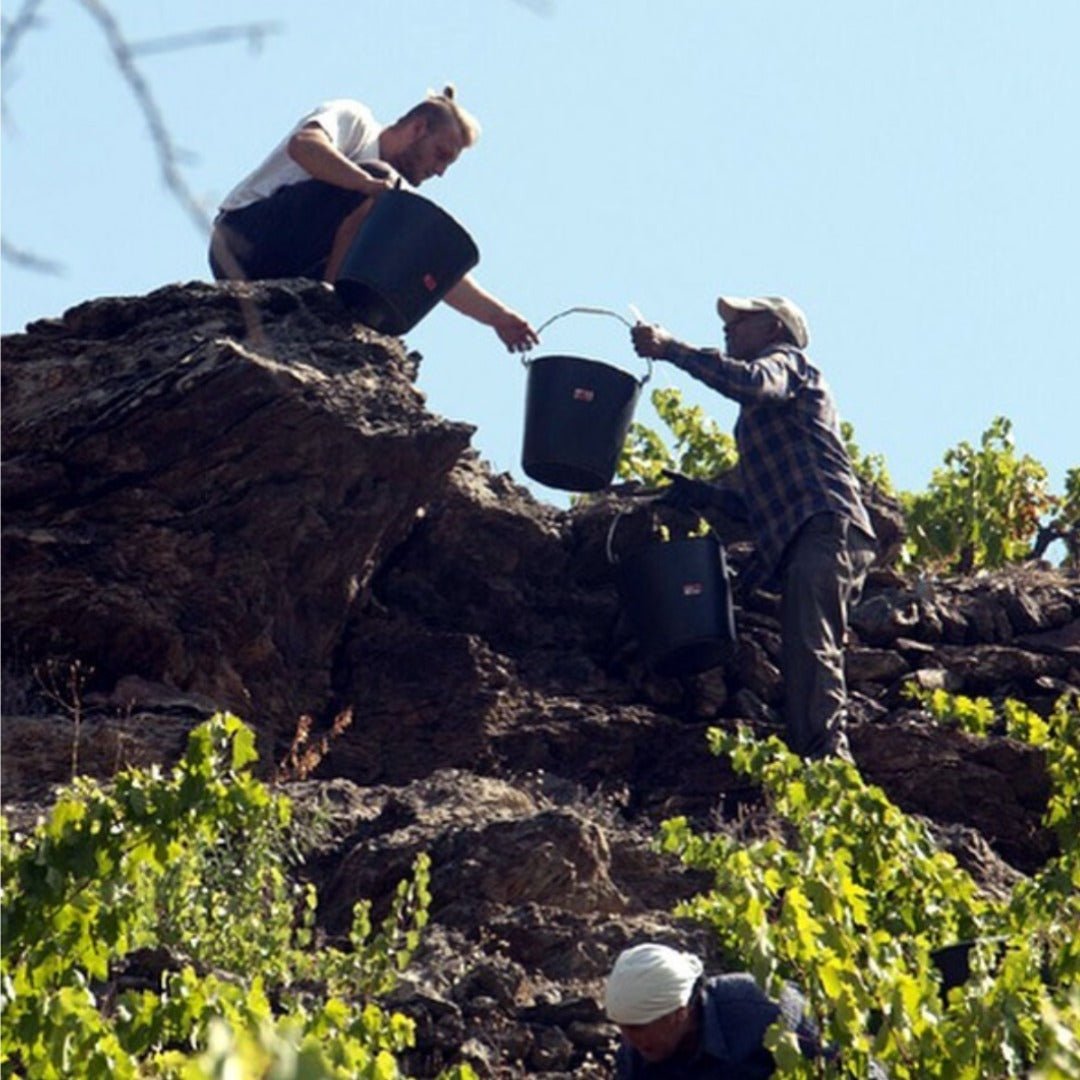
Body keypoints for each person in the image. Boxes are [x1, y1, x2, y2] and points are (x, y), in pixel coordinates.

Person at [630, 296, 876, 760]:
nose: (730, 327)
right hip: (812, 529)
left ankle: (828, 759)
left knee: (810, 643)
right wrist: (704, 496)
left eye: (743, 320)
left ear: (774, 329)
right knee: (805, 640)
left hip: (825, 527)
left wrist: (671, 349)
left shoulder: (785, 364)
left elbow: (751, 383)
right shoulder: (768, 408)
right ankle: (814, 750)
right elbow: (763, 507)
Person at [209, 86, 538, 352]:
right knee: (381, 189)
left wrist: (498, 317)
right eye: (441, 155)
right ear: (418, 128)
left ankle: (329, 311)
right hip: (243, 239)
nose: (440, 171)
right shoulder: (356, 121)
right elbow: (305, 146)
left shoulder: (393, 194)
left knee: (395, 234)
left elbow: (430, 266)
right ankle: (329, 305)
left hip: (289, 271)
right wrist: (367, 185)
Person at [604, 943, 825, 1078]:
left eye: (638, 1028)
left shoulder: (765, 1010)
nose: (629, 1040)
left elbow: (832, 1062)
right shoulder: (636, 1056)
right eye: (623, 1028)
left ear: (679, 1013)